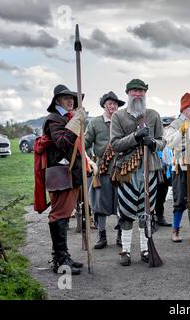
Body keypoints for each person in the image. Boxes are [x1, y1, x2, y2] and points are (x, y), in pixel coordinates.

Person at [110, 79, 165, 266]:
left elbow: (162, 141)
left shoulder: (153, 115)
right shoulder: (118, 116)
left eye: (141, 91)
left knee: (146, 212)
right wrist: (135, 137)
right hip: (127, 170)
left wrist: (153, 143)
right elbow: (115, 144)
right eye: (134, 91)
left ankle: (144, 248)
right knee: (126, 212)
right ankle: (125, 250)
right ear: (127, 93)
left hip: (150, 169)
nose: (138, 94)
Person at [42, 84, 94, 275]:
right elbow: (63, 142)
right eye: (66, 98)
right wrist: (74, 124)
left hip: (69, 173)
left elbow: (76, 148)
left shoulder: (66, 117)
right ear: (57, 101)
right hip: (60, 173)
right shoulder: (53, 119)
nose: (71, 100)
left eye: (72, 98)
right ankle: (60, 260)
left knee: (63, 215)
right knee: (60, 215)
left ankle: (63, 256)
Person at [85, 91, 125, 249]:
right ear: (104, 105)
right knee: (100, 205)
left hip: (122, 168)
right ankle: (102, 237)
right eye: (110, 103)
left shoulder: (122, 122)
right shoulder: (95, 123)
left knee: (121, 204)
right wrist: (90, 162)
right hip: (102, 169)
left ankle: (121, 235)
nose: (112, 106)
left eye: (115, 104)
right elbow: (85, 144)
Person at [164, 93, 190, 242]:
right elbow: (170, 143)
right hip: (180, 167)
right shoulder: (175, 124)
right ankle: (175, 231)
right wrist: (181, 131)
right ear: (184, 109)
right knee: (179, 201)